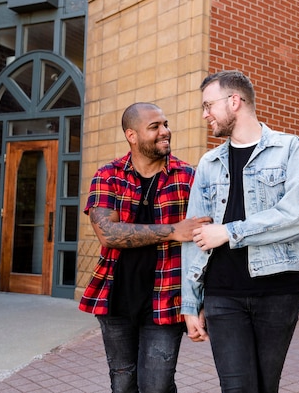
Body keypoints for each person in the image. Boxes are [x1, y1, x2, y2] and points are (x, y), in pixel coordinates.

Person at [181, 70, 299, 393]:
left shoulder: (291, 150)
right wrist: (189, 304)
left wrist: (229, 232)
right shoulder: (209, 163)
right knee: (237, 387)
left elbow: (297, 216)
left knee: (266, 386)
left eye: (208, 105)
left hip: (278, 292)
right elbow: (194, 237)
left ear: (234, 101)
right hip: (222, 294)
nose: (205, 114)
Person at [79, 102, 212, 393]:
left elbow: (203, 245)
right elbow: (108, 234)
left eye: (165, 124)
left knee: (157, 385)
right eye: (155, 127)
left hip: (167, 298)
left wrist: (198, 303)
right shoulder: (108, 176)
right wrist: (173, 231)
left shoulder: (189, 178)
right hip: (117, 298)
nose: (165, 131)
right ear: (132, 135)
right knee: (123, 380)